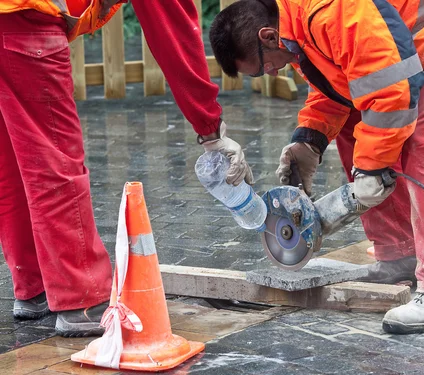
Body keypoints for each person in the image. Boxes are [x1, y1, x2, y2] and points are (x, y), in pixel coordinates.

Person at [210, 0, 424, 333]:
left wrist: (372, 170)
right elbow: (342, 86)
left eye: (262, 68)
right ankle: (399, 254)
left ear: (267, 37)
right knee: (354, 124)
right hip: (403, 47)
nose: (272, 73)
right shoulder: (293, 30)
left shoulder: (329, 12)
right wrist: (310, 139)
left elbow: (392, 90)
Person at [0, 0, 252, 337]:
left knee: (13, 162)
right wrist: (209, 128)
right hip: (25, 20)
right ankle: (81, 299)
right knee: (55, 158)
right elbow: (172, 28)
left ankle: (35, 286)